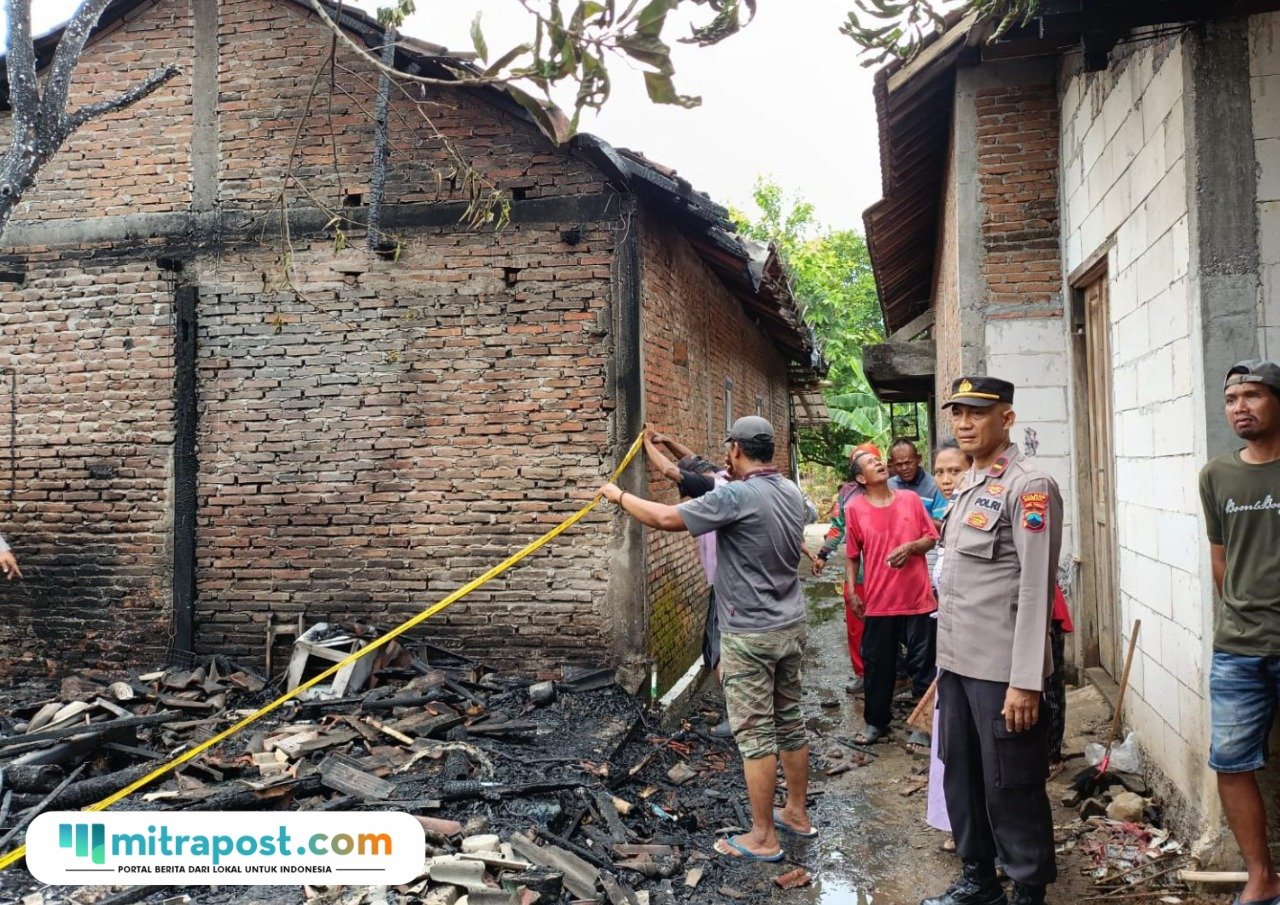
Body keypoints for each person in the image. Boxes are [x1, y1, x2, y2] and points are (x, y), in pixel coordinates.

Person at [599, 415, 812, 862]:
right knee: (790, 720)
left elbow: (662, 516)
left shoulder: (734, 495)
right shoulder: (790, 490)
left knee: (755, 735)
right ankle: (796, 813)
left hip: (749, 632)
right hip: (790, 624)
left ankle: (763, 837)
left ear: (735, 449)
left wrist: (617, 495)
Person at [924, 376, 1062, 905]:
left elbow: (1035, 588)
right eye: (957, 412)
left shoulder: (1030, 486)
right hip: (957, 664)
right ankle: (980, 880)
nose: (963, 422)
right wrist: (942, 670)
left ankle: (1028, 888)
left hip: (1003, 672)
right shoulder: (967, 484)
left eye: (976, 413)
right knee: (961, 776)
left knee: (1013, 784)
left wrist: (1026, 681)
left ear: (1006, 419)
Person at [1198, 359, 1280, 905]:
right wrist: (1241, 612)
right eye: (1231, 399)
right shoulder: (1217, 475)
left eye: (1252, 395)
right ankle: (1262, 877)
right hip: (1240, 648)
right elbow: (1221, 557)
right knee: (1231, 760)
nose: (1239, 408)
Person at [844, 449, 938, 744]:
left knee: (923, 665)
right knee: (877, 664)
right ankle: (876, 722)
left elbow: (931, 537)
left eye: (878, 460)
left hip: (917, 599)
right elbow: (852, 555)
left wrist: (910, 548)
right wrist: (851, 591)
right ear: (861, 478)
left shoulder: (910, 500)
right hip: (879, 601)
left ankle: (922, 727)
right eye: (871, 464)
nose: (879, 464)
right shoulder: (855, 509)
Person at [643, 426, 732, 737]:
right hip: (730, 583)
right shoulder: (723, 478)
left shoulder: (709, 489)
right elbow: (689, 459)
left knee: (718, 652)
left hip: (725, 587)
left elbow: (671, 471)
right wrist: (667, 440)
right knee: (718, 649)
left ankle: (738, 718)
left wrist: (644, 444)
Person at [814, 442, 882, 694]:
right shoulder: (846, 494)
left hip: (888, 575)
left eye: (872, 460)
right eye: (860, 462)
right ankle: (862, 674)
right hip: (859, 575)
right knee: (856, 626)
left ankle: (894, 675)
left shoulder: (894, 492)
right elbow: (838, 526)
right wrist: (823, 554)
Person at [889, 437, 947, 512]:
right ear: (891, 464)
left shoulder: (935, 486)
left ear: (919, 459)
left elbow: (942, 523)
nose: (904, 468)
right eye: (899, 465)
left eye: (908, 463)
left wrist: (914, 516)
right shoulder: (888, 486)